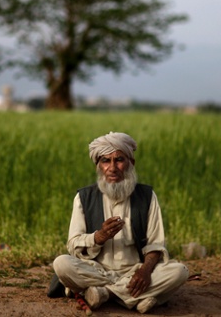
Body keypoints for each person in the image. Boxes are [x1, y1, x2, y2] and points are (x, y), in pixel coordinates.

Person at [52, 132, 189, 314]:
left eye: (119, 160)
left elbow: (155, 244)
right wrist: (98, 237)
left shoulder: (147, 197)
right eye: (105, 161)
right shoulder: (84, 197)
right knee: (62, 263)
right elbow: (73, 244)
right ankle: (133, 298)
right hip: (96, 270)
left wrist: (145, 271)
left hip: (135, 271)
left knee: (179, 271)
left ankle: (105, 294)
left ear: (131, 163)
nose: (112, 167)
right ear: (98, 166)